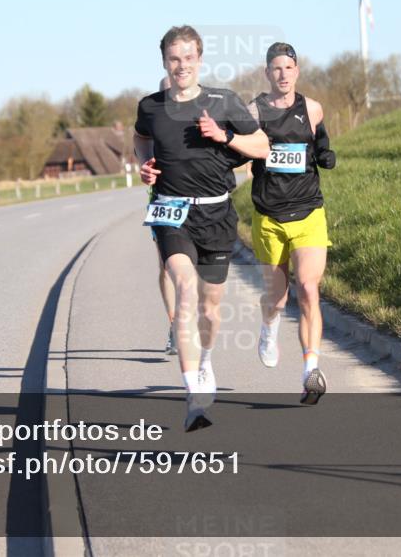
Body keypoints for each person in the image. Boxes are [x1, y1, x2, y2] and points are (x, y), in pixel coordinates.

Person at [134, 25, 269, 430]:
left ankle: (206, 362)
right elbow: (141, 140)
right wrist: (145, 166)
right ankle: (193, 396)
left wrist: (224, 135)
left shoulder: (222, 100)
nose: (181, 66)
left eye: (188, 58)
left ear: (199, 59)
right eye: (174, 59)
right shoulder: (150, 106)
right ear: (164, 62)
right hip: (172, 212)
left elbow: (261, 146)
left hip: (216, 214)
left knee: (211, 308)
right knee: (185, 289)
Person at [247, 42, 336, 405]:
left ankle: (309, 370)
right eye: (276, 69)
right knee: (277, 298)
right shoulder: (253, 111)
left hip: (309, 213)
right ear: (267, 73)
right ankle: (269, 328)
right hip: (269, 216)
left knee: (310, 289)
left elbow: (322, 144)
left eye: (289, 68)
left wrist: (326, 154)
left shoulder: (312, 109)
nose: (283, 74)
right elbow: (238, 151)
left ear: (297, 71)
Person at [156, 75, 178, 355]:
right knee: (165, 266)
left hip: (198, 202)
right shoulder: (154, 123)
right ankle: (175, 324)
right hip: (163, 201)